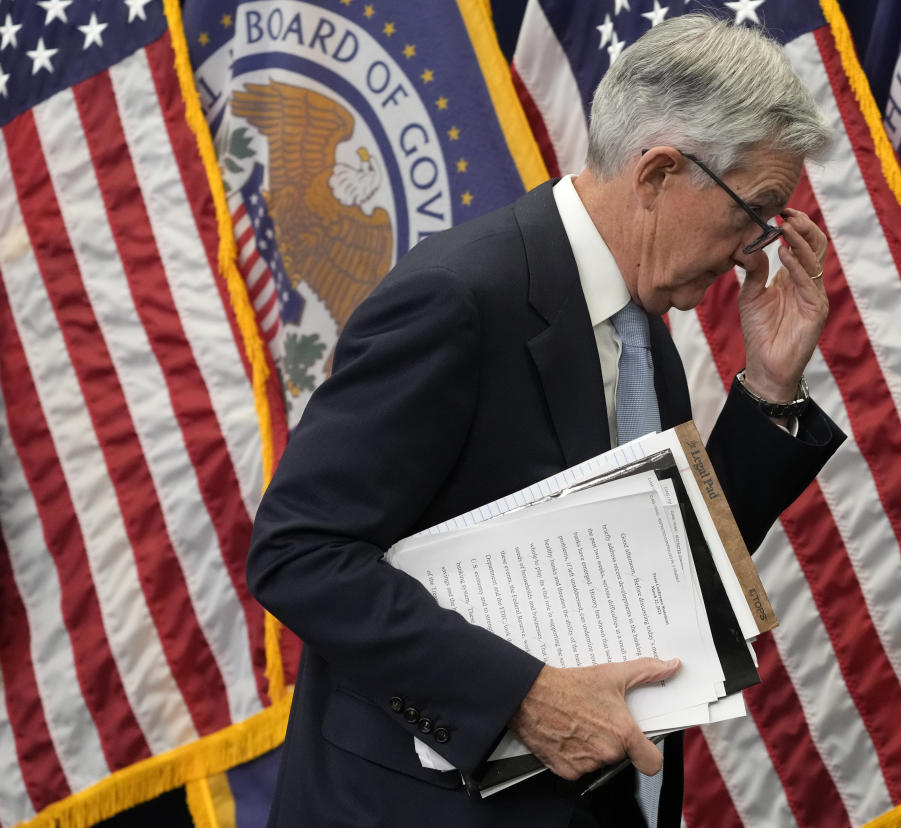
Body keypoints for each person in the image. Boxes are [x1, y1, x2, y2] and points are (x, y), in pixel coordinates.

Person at [248, 13, 846, 828]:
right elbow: (298, 552)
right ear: (659, 173)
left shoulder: (642, 331)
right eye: (755, 212)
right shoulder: (458, 299)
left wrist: (770, 390)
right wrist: (523, 697)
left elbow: (665, 573)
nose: (755, 251)